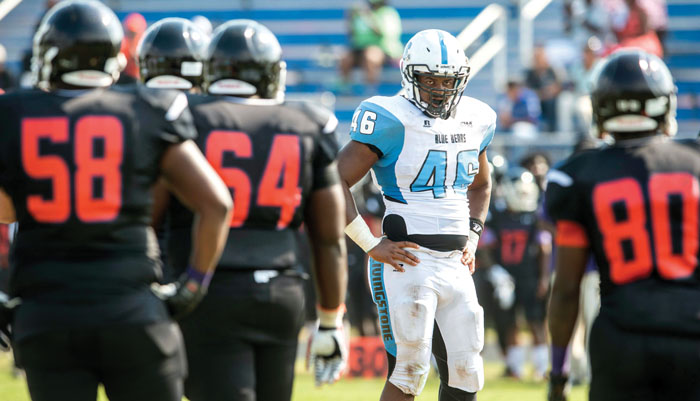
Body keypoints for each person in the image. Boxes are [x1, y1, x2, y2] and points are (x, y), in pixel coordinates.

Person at [0, 2, 233, 401]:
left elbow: (6, 211)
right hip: (131, 307)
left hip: (47, 314)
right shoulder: (148, 108)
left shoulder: (14, 112)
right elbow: (217, 204)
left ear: (49, 57)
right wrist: (193, 284)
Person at [148, 20, 349, 401]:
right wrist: (330, 320)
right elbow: (328, 237)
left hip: (207, 286)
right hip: (282, 290)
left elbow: (149, 217)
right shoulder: (309, 123)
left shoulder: (184, 115)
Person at [337, 29, 494, 401]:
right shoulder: (391, 117)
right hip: (407, 261)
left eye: (448, 81)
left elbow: (482, 185)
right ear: (410, 75)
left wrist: (472, 236)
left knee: (467, 373)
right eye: (430, 79)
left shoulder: (476, 118)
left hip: (455, 263)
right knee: (409, 371)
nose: (440, 89)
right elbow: (332, 182)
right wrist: (369, 244)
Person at [546, 49, 699, 401]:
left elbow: (566, 289)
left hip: (621, 338)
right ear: (664, 104)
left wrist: (558, 373)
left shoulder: (579, 174)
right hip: (692, 333)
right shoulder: (694, 162)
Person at [481, 168, 551, 381]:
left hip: (529, 277)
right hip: (506, 278)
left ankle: (541, 369)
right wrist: (496, 272)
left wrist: (543, 278)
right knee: (510, 324)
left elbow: (544, 249)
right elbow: (485, 245)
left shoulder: (535, 218)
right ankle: (514, 368)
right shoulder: (498, 216)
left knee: (535, 322)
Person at [339, 0, 402, 91]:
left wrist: (368, 17)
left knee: (370, 57)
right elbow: (352, 36)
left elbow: (382, 33)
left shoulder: (388, 13)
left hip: (385, 50)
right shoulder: (362, 13)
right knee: (345, 58)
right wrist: (351, 19)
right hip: (361, 49)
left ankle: (370, 90)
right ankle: (345, 89)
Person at [525, 45, 566, 132]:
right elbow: (527, 90)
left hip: (552, 100)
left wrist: (551, 91)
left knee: (553, 103)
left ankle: (552, 130)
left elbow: (560, 86)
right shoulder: (530, 73)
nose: (538, 60)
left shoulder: (553, 70)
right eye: (536, 57)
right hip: (536, 100)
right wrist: (541, 93)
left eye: (540, 57)